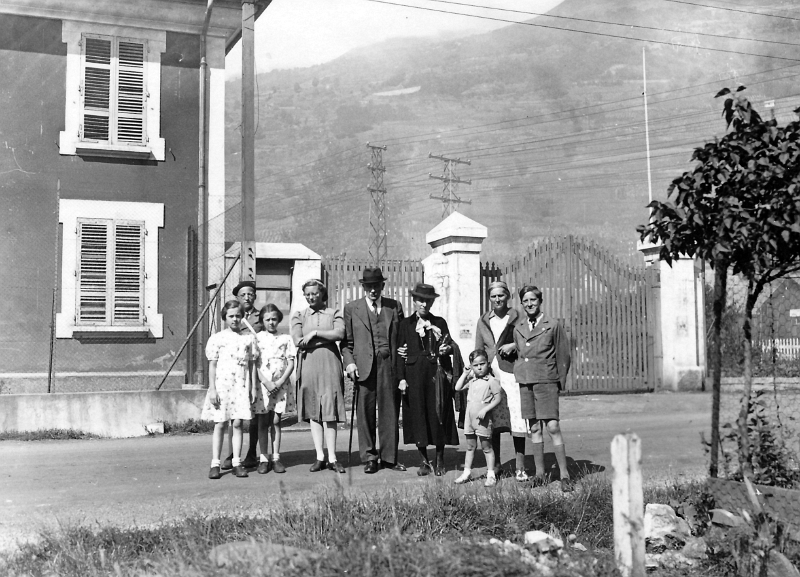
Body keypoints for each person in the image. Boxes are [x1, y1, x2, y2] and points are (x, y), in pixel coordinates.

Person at [341, 267, 405, 474]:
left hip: (389, 365)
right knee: (365, 413)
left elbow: (402, 338)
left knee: (390, 412)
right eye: (369, 286)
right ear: (363, 287)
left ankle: (389, 458)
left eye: (376, 286)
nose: (373, 290)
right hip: (363, 367)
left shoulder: (394, 307)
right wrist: (349, 362)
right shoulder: (352, 309)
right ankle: (370, 457)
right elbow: (346, 343)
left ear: (382, 286)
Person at [511, 285, 573, 492]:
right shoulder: (518, 327)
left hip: (546, 381)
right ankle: (540, 475)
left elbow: (563, 356)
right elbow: (520, 353)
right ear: (522, 304)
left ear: (540, 301)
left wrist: (559, 383)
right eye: (525, 301)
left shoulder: (552, 325)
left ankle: (565, 475)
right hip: (526, 381)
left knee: (553, 426)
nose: (529, 304)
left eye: (533, 300)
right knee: (534, 428)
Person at [397, 283, 461, 476]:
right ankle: (424, 461)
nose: (423, 304)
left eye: (427, 300)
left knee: (438, 414)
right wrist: (401, 378)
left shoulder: (440, 322)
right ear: (414, 301)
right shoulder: (405, 325)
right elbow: (399, 353)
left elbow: (449, 344)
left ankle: (440, 458)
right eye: (420, 300)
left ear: (432, 302)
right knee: (417, 416)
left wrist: (447, 349)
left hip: (436, 376)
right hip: (414, 376)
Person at [291, 279, 347, 473]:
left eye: (314, 293)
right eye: (307, 294)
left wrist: (314, 334)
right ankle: (319, 457)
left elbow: (339, 334)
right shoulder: (299, 315)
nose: (310, 297)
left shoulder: (334, 313)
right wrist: (325, 337)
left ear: (322, 294)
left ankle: (332, 457)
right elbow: (298, 341)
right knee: (314, 410)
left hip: (330, 363)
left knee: (329, 410)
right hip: (308, 365)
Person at [475, 281, 529, 481]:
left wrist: (514, 344)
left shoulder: (517, 317)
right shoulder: (483, 320)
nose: (497, 300)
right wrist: (479, 374)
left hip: (512, 373)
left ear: (508, 296)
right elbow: (478, 349)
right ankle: (495, 465)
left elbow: (529, 340)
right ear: (489, 298)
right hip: (492, 375)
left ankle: (520, 467)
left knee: (517, 418)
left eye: (501, 296)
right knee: (493, 419)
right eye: (493, 296)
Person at [202, 300, 258, 479]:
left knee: (238, 424)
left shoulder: (247, 338)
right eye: (231, 316)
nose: (235, 319)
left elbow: (251, 366)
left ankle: (236, 462)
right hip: (222, 387)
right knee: (220, 424)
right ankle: (215, 463)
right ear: (225, 318)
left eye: (238, 316)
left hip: (240, 386)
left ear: (243, 317)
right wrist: (212, 389)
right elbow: (212, 365)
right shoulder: (217, 338)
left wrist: (252, 388)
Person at [222, 281, 263, 471]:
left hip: (256, 368)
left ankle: (251, 453)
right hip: (236, 371)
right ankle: (233, 453)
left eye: (251, 294)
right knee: (235, 415)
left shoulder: (260, 316)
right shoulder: (234, 315)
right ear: (237, 298)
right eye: (243, 295)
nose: (247, 297)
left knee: (254, 415)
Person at [254, 304, 296, 474]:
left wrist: (279, 383)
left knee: (276, 421)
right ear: (262, 321)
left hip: (281, 386)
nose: (271, 322)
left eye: (274, 319)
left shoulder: (286, 338)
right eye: (267, 319)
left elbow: (291, 362)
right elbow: (255, 364)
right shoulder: (257, 338)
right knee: (263, 422)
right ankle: (263, 458)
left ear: (278, 319)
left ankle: (276, 457)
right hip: (263, 386)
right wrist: (266, 382)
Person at [453, 349, 503, 487]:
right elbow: (457, 387)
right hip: (470, 419)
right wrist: (465, 373)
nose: (479, 367)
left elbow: (498, 398)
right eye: (475, 365)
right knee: (470, 446)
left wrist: (486, 409)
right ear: (471, 366)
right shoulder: (472, 380)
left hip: (483, 419)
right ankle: (466, 472)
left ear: (488, 363)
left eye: (482, 364)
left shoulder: (491, 381)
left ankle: (491, 474)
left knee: (486, 447)